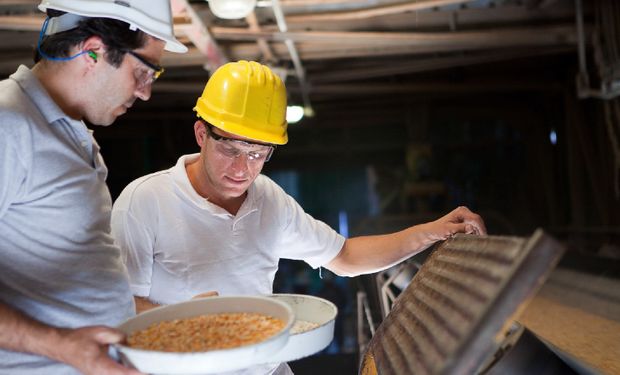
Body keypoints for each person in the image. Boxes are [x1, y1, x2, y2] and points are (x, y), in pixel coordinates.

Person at [111, 61, 486, 374]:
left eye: (259, 153)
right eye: (231, 148)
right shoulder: (145, 202)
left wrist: (431, 232)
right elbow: (115, 307)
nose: (243, 168)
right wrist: (185, 320)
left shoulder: (269, 199)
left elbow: (345, 256)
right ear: (200, 134)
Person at [0, 0, 187, 374]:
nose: (146, 92)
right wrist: (65, 348)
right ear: (93, 52)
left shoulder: (72, 133)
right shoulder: (10, 126)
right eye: (144, 71)